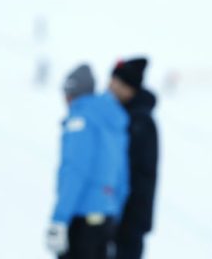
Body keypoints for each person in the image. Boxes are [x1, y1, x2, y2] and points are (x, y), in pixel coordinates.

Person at [46, 64, 130, 259]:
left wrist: (59, 219)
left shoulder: (80, 120)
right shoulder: (113, 121)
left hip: (81, 217)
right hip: (106, 216)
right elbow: (122, 176)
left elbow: (75, 170)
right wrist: (113, 211)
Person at [109, 58, 159, 259]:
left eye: (117, 84)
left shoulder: (139, 122)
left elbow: (129, 171)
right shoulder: (128, 116)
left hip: (130, 217)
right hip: (121, 216)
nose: (110, 88)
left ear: (129, 89)